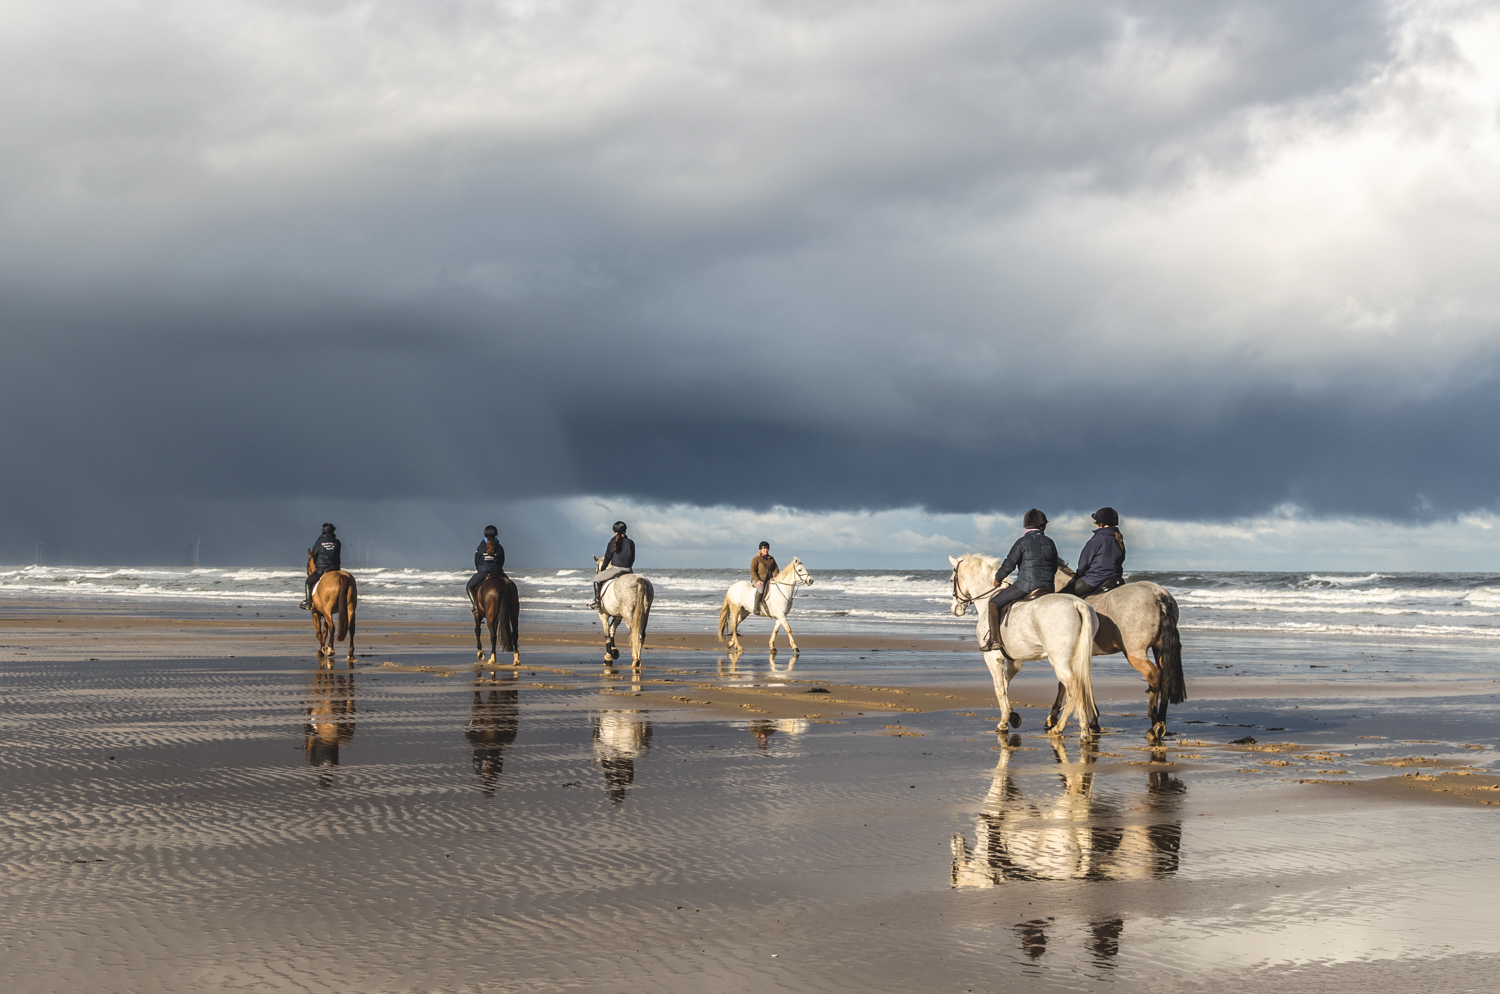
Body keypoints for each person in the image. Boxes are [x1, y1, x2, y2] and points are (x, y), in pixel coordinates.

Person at [984, 509, 1059, 654]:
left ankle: (995, 641)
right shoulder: (1050, 542)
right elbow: (1054, 566)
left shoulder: (1022, 542)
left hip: (1026, 586)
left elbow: (1009, 564)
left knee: (993, 603)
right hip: (1048, 586)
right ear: (1043, 526)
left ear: (1026, 526)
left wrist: (998, 579)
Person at [1061, 507, 1126, 598]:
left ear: (1101, 524)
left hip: (1094, 580)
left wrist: (1077, 577)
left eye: (1095, 522)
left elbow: (1083, 563)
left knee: (1062, 595)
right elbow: (1121, 559)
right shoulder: (1119, 539)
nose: (1095, 524)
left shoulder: (1098, 538)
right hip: (1115, 579)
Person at [589, 521, 635, 609]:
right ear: (625, 531)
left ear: (614, 531)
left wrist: (602, 569)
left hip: (616, 569)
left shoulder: (612, 541)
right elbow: (632, 559)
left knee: (596, 579)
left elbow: (607, 557)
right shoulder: (631, 542)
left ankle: (597, 602)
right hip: (629, 570)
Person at [466, 525, 507, 614]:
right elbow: (502, 560)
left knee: (469, 586)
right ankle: (509, 606)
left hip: (483, 571)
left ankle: (475, 605)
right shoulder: (499, 547)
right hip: (497, 571)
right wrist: (498, 569)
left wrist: (480, 570)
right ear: (496, 535)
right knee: (510, 585)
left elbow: (477, 561)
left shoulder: (480, 547)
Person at [301, 523, 341, 610]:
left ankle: (308, 602)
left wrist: (318, 565)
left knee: (308, 582)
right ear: (332, 531)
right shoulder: (337, 542)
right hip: (336, 568)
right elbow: (337, 555)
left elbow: (314, 557)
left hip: (322, 568)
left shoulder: (318, 543)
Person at [751, 541, 778, 616]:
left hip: (768, 579)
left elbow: (775, 568)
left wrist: (775, 575)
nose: (765, 550)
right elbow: (753, 571)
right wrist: (757, 580)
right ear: (760, 550)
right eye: (764, 549)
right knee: (761, 589)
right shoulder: (756, 559)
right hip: (758, 579)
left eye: (767, 549)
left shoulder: (771, 559)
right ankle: (756, 607)